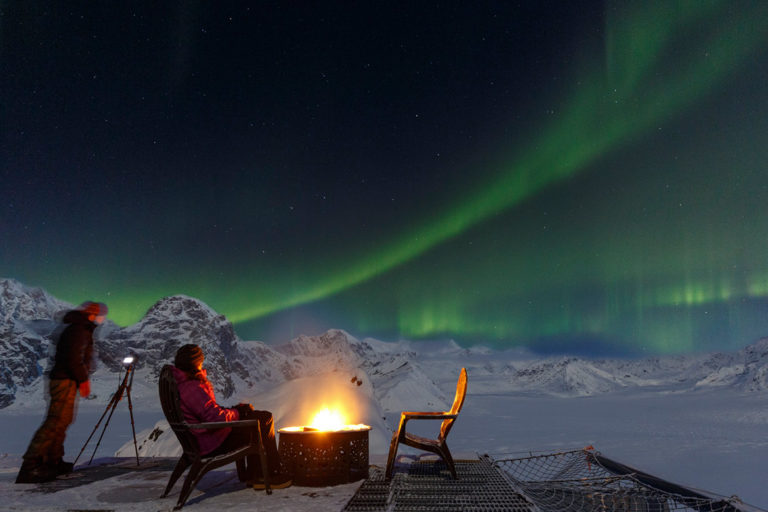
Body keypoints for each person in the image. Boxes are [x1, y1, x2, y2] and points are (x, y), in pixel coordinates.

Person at [171, 343, 291, 489]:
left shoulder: (183, 385)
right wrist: (238, 413)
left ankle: (254, 473)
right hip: (212, 441)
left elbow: (208, 411)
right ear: (195, 363)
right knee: (263, 420)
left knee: (259, 416)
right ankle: (268, 474)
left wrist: (235, 410)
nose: (202, 365)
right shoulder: (192, 388)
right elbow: (214, 418)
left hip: (203, 438)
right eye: (200, 362)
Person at [16, 301, 108, 484]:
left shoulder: (81, 328)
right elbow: (73, 358)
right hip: (64, 381)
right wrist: (83, 381)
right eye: (101, 314)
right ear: (93, 314)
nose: (103, 318)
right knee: (55, 422)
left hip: (66, 380)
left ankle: (53, 461)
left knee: (62, 421)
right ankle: (30, 466)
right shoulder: (79, 330)